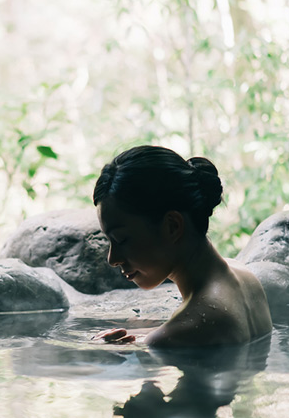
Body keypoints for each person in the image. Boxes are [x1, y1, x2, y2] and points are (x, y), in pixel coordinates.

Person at [92, 145, 272, 347]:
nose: (112, 259)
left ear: (172, 226)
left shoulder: (186, 330)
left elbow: (189, 334)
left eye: (122, 240)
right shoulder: (245, 278)